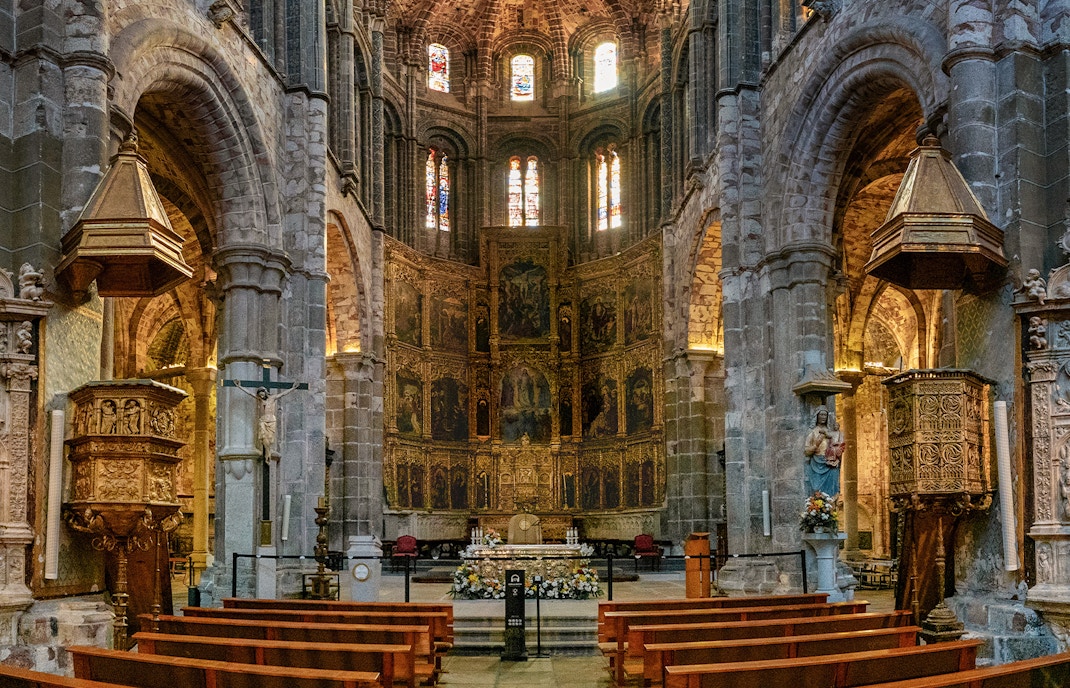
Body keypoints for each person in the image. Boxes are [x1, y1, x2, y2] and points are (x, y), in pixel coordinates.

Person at [234, 381, 300, 457]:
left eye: (262, 395)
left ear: (265, 392)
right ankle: (268, 452)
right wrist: (239, 387)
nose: (261, 397)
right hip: (263, 420)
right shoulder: (260, 399)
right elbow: (250, 393)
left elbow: (283, 394)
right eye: (260, 395)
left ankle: (268, 453)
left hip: (271, 420)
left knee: (270, 438)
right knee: (264, 436)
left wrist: (293, 388)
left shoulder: (273, 398)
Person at [804, 406, 842, 498]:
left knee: (832, 490)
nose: (823, 417)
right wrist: (815, 446)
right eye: (821, 414)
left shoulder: (831, 432)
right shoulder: (813, 432)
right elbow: (806, 450)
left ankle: (830, 507)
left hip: (831, 464)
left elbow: (838, 445)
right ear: (817, 416)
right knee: (817, 489)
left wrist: (837, 451)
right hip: (817, 463)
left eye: (825, 415)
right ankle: (819, 507)